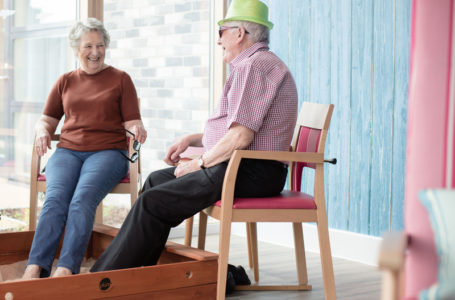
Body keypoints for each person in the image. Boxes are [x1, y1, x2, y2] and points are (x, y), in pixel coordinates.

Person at [90, 0, 297, 272]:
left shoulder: (255, 66)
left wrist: (198, 162)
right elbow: (240, 131)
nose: (218, 40)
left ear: (239, 33)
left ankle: (105, 277)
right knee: (155, 181)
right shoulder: (253, 64)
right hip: (240, 165)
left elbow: (241, 138)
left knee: (153, 202)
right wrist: (194, 139)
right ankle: (140, 273)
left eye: (221, 32)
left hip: (252, 170)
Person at [22, 18, 147, 279]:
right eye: (89, 46)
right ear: (76, 48)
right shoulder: (65, 81)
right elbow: (45, 120)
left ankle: (66, 269)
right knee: (55, 200)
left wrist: (138, 130)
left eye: (100, 45)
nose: (95, 52)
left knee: (81, 200)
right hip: (68, 152)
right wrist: (43, 130)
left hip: (108, 153)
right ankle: (36, 267)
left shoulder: (121, 79)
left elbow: (133, 123)